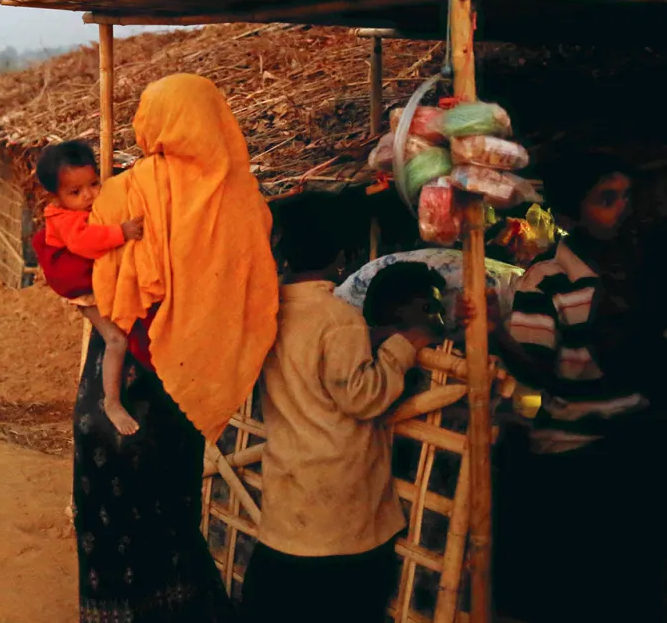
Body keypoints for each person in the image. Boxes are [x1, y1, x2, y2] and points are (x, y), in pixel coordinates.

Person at [75, 74, 281, 622]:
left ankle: (113, 611)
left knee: (109, 511)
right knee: (174, 508)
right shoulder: (243, 198)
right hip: (188, 383)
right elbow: (252, 284)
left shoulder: (123, 191)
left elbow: (89, 276)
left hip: (122, 374)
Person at [490, 153, 664, 621]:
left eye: (626, 196)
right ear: (570, 214)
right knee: (581, 586)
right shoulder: (545, 279)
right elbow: (535, 372)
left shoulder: (637, 262)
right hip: (573, 447)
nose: (623, 208)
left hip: (633, 433)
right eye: (608, 199)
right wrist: (499, 336)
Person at [240, 230, 444, 623]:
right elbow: (363, 396)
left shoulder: (269, 311)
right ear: (342, 256)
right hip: (339, 512)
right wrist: (404, 346)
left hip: (288, 497)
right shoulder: (339, 318)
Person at [33, 140, 145, 435]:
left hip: (93, 284)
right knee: (116, 340)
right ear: (55, 196)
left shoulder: (80, 206)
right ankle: (112, 402)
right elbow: (84, 242)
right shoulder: (63, 219)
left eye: (94, 184)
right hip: (83, 291)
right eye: (75, 192)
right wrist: (120, 232)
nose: (89, 196)